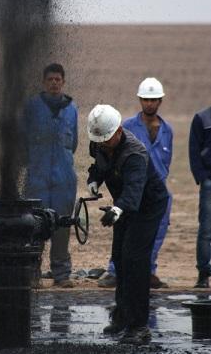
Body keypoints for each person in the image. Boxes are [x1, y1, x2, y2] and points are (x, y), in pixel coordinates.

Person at [87, 104, 168, 344]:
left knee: (135, 260)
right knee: (119, 258)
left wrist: (117, 209)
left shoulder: (134, 154)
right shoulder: (99, 141)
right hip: (122, 206)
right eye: (99, 140)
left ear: (119, 131)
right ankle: (122, 316)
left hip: (148, 206)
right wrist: (94, 180)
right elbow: (99, 165)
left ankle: (139, 326)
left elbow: (134, 192)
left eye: (106, 140)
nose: (102, 144)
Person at [99, 78, 173, 289]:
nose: (150, 104)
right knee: (125, 232)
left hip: (155, 190)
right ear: (140, 100)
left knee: (156, 232)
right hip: (131, 190)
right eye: (146, 99)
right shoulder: (127, 127)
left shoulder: (167, 130)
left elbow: (166, 162)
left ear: (160, 101)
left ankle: (149, 271)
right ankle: (115, 272)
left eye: (154, 100)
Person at [24, 63, 78, 288]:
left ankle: (61, 274)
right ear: (44, 82)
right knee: (34, 225)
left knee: (62, 226)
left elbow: (73, 142)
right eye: (50, 79)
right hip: (37, 177)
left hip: (64, 179)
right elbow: (22, 139)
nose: (54, 83)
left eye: (58, 79)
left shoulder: (72, 108)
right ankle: (32, 273)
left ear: (63, 82)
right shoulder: (32, 107)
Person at [189, 106, 211, 288]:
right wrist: (202, 177)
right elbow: (194, 149)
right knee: (206, 230)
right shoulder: (202, 118)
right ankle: (203, 274)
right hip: (209, 182)